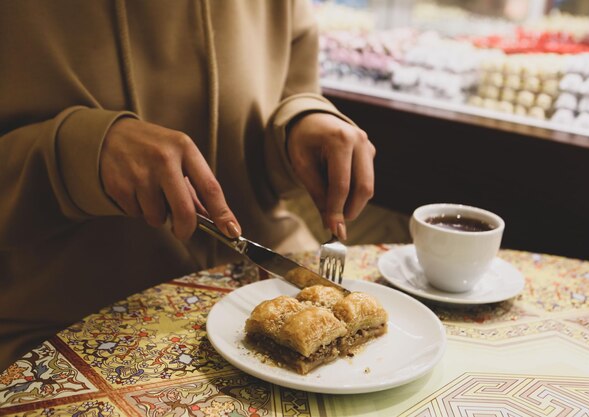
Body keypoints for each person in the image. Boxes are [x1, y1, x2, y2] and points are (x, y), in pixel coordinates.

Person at [0, 0, 375, 371]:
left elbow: (289, 91)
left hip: (262, 279)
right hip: (74, 318)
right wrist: (79, 155)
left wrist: (302, 122)